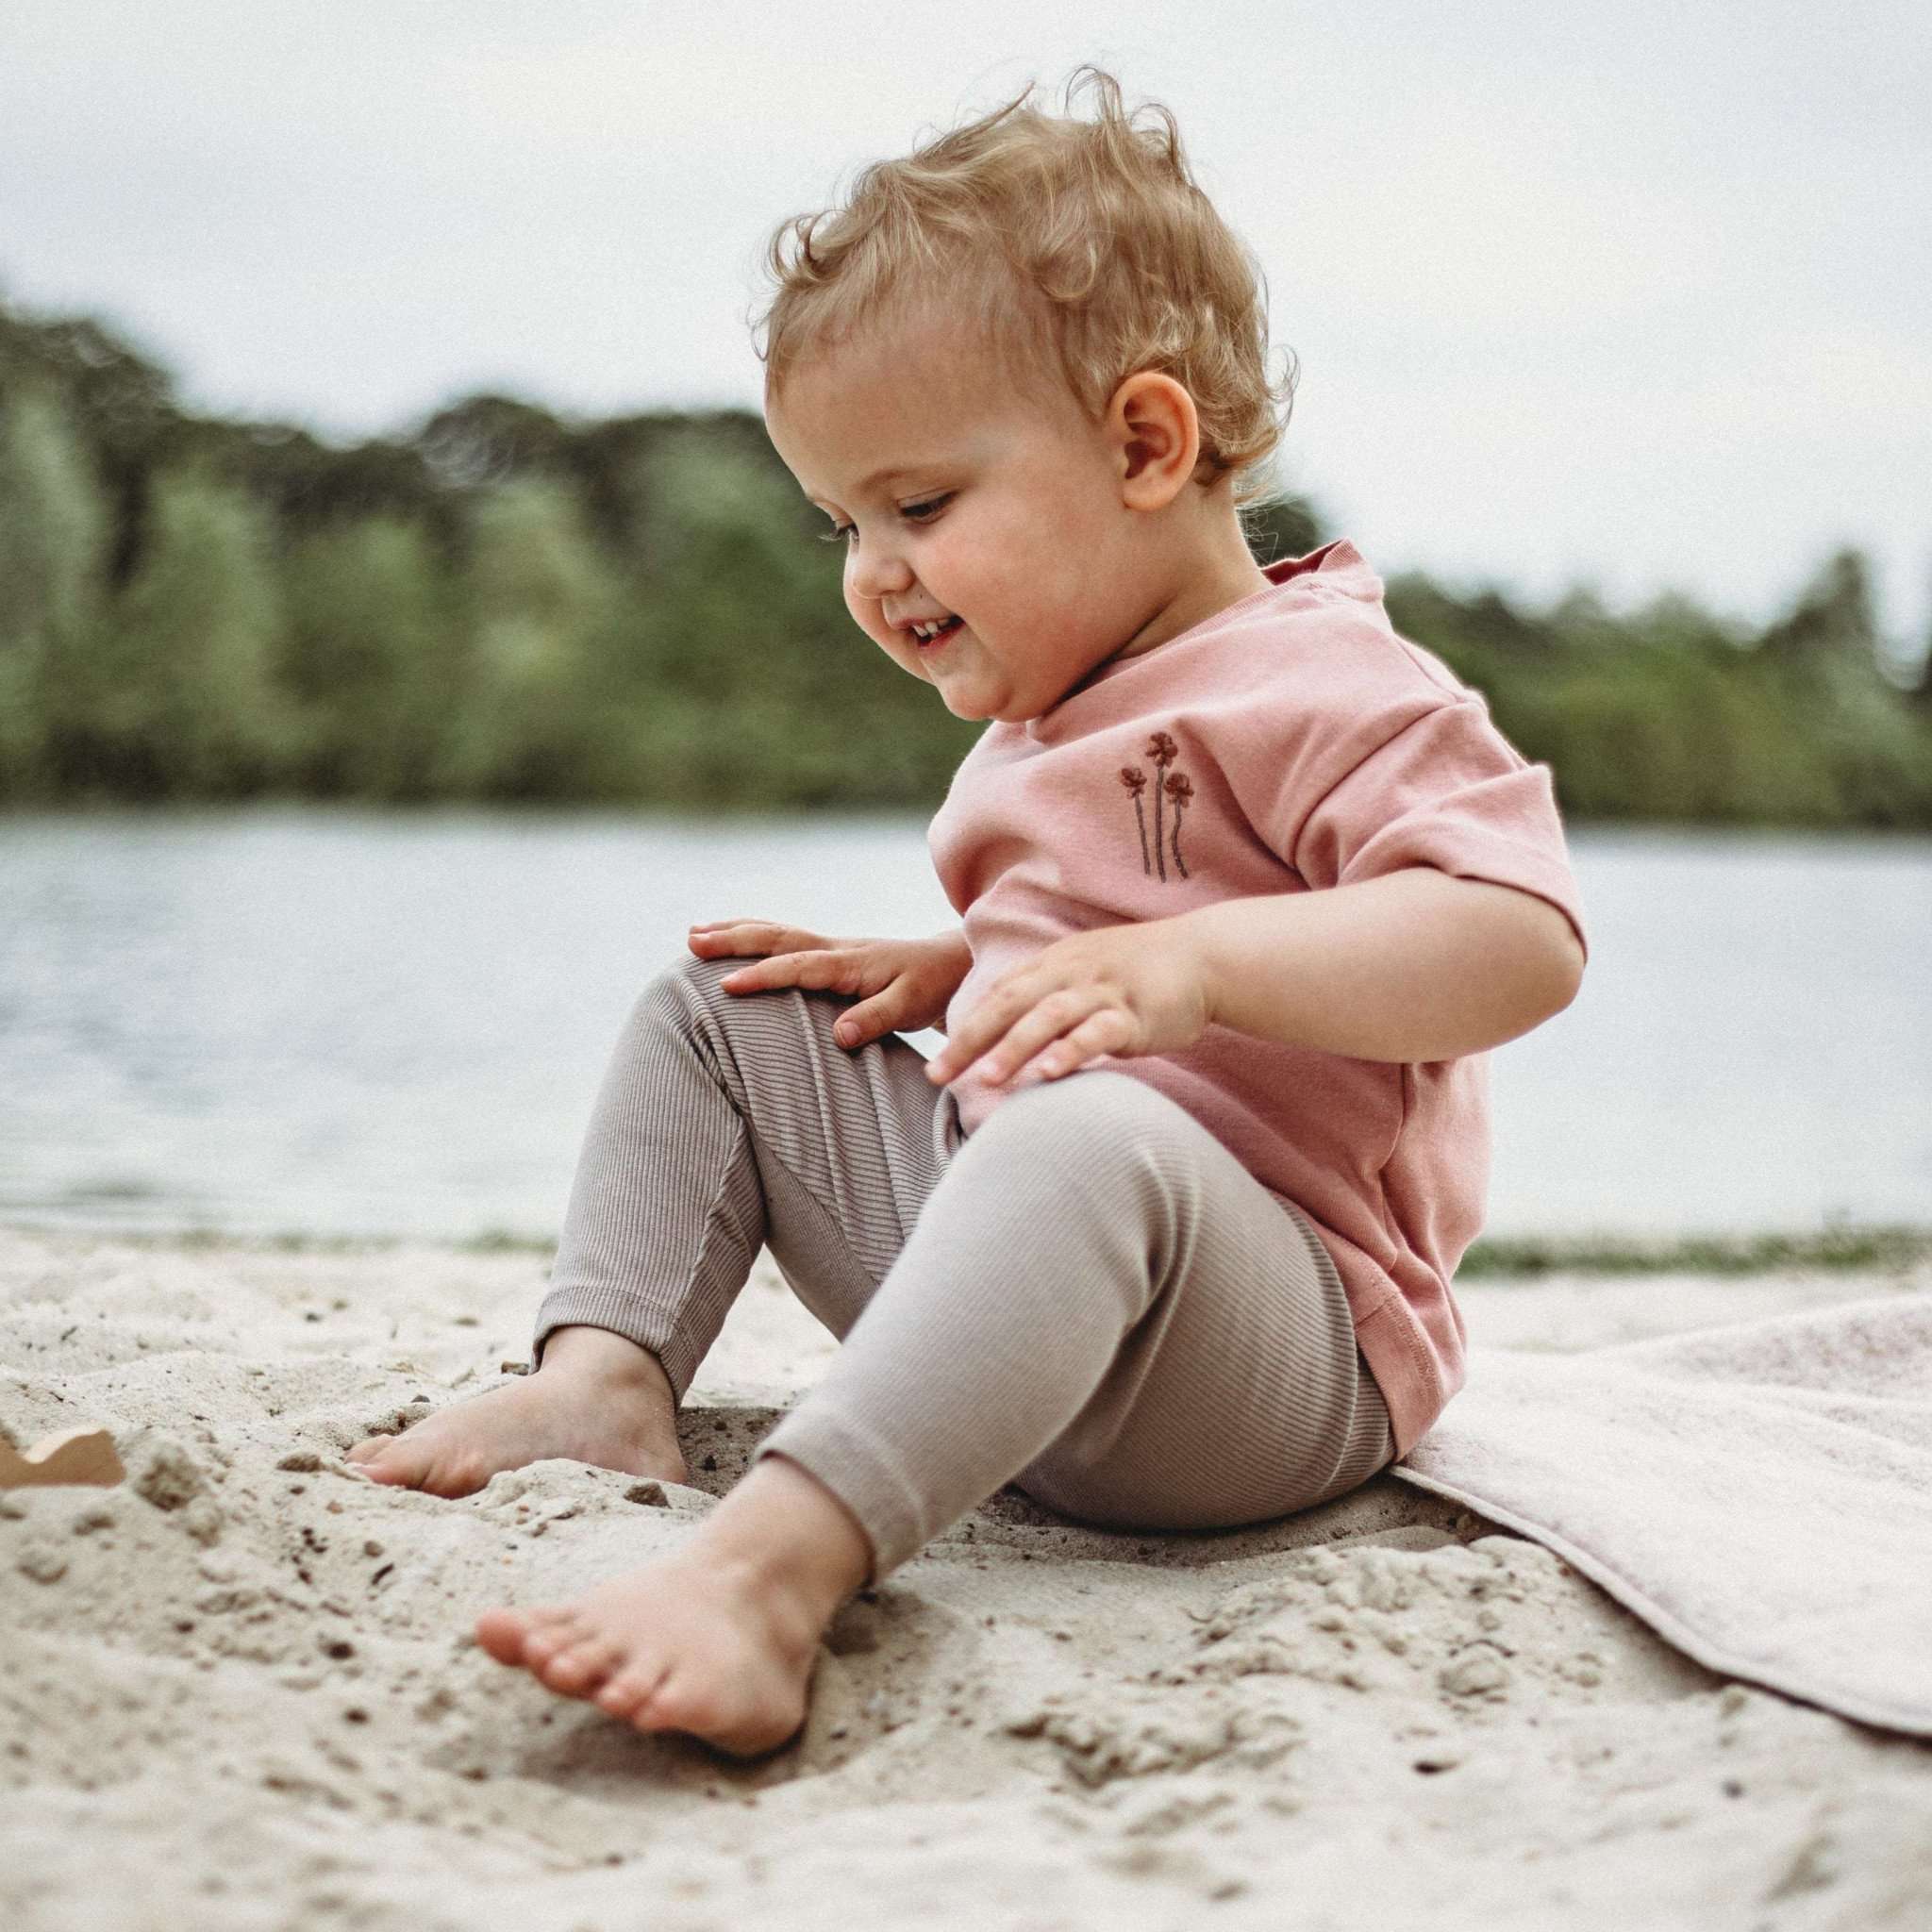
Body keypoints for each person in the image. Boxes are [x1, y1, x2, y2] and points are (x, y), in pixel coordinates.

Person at [345, 66, 1588, 1757]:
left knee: (1093, 1139)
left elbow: (1513, 938)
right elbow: (1113, 924)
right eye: (844, 521)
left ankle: (766, 1580)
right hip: (1030, 1306)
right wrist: (964, 968)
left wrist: (1193, 966)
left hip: (1274, 1363)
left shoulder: (1334, 682)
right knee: (726, 1002)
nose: (874, 568)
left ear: (1146, 443)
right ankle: (607, 1377)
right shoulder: (1052, 710)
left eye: (920, 505)